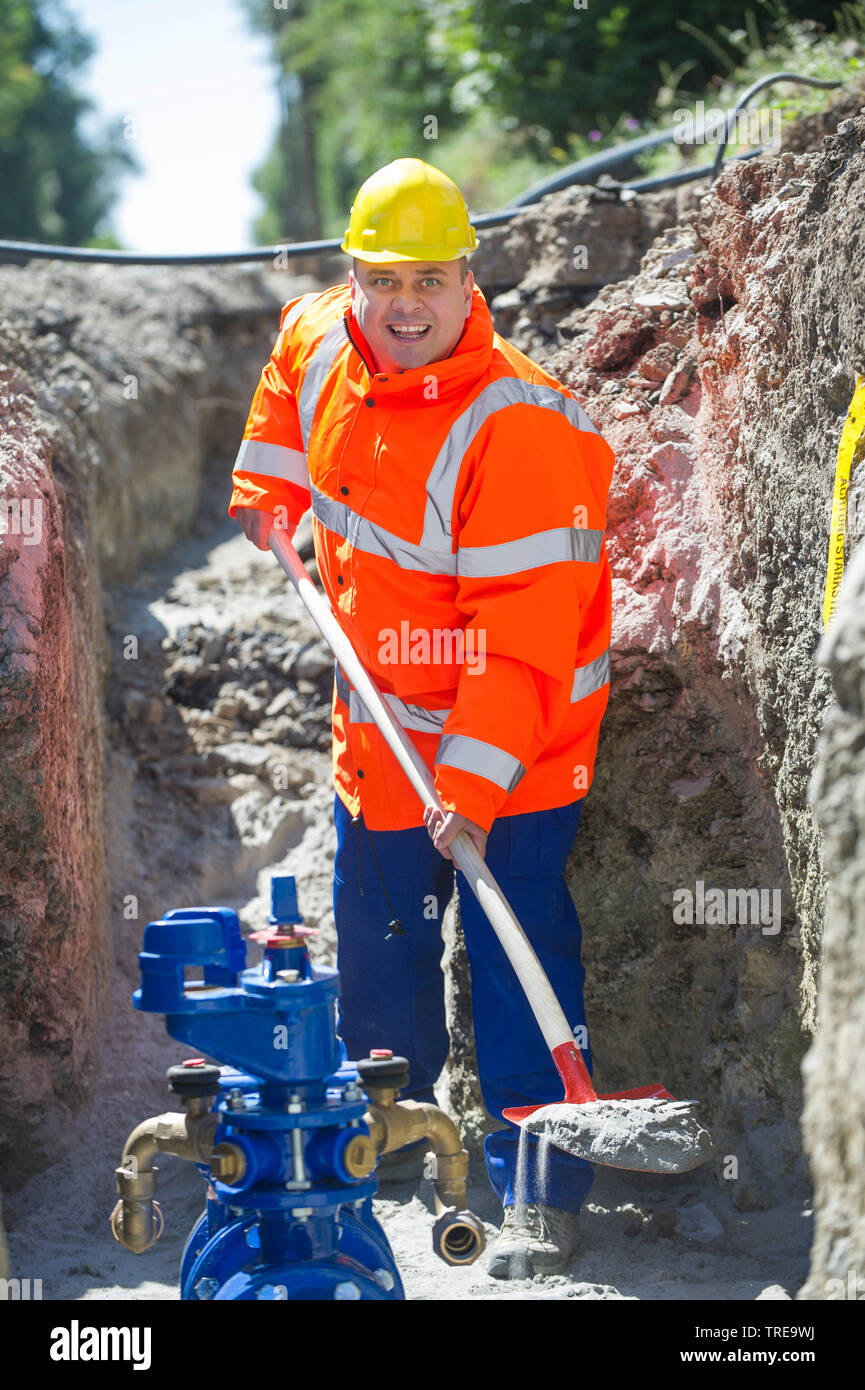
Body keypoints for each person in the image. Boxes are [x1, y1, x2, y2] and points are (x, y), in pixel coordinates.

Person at [229, 157, 615, 1279]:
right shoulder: (322, 338)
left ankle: (542, 1192)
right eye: (383, 277)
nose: (405, 304)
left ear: (468, 280)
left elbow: (523, 645)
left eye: (431, 279)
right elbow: (285, 380)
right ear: (352, 276)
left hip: (521, 746)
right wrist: (270, 489)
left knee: (513, 951)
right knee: (383, 953)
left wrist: (478, 787)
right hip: (385, 739)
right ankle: (396, 1151)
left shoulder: (523, 430)